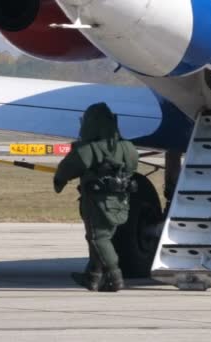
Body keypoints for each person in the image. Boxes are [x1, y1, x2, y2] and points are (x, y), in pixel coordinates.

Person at [53, 103, 138, 292]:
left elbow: (67, 169)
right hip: (121, 200)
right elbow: (132, 168)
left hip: (97, 201)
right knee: (105, 236)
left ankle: (115, 278)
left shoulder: (89, 149)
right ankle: (92, 277)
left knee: (98, 238)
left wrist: (59, 181)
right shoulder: (128, 147)